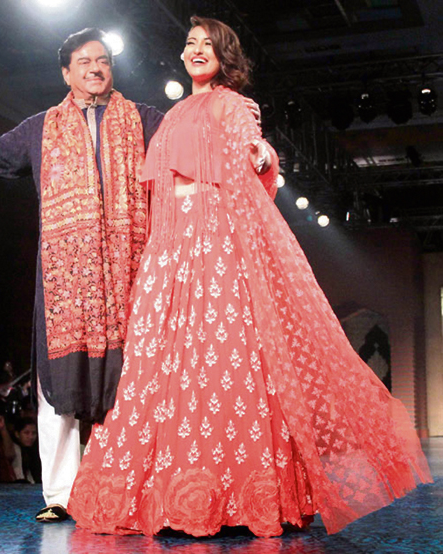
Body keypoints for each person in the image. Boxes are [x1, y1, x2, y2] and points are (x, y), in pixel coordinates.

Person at [0, 27, 260, 522]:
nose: (96, 68)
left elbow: (196, 140)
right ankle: (60, 495)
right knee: (58, 391)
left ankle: (129, 489)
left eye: (103, 60)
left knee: (134, 385)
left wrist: (242, 134)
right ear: (65, 73)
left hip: (132, 278)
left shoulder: (145, 120)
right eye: (84, 62)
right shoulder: (40, 129)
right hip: (64, 288)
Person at [67, 17, 432, 537]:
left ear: (225, 57)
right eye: (190, 43)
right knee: (164, 368)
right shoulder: (172, 115)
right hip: (170, 252)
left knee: (223, 362)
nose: (196, 50)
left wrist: (262, 155)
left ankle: (234, 497)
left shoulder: (231, 104)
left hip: (215, 247)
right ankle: (167, 496)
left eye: (208, 44)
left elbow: (253, 147)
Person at [12, 417, 42, 484]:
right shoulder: (15, 449)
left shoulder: (36, 451)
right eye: (26, 433)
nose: (31, 437)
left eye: (34, 433)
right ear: (17, 434)